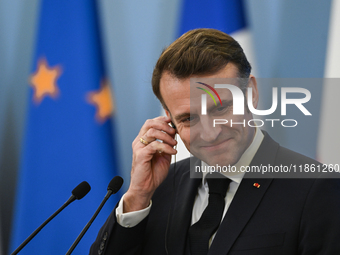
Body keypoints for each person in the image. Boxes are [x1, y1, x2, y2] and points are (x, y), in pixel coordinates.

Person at [90, 28, 340, 255]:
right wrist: (137, 197)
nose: (209, 133)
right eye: (188, 118)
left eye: (221, 109)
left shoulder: (316, 188)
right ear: (169, 121)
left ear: (251, 93)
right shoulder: (159, 188)